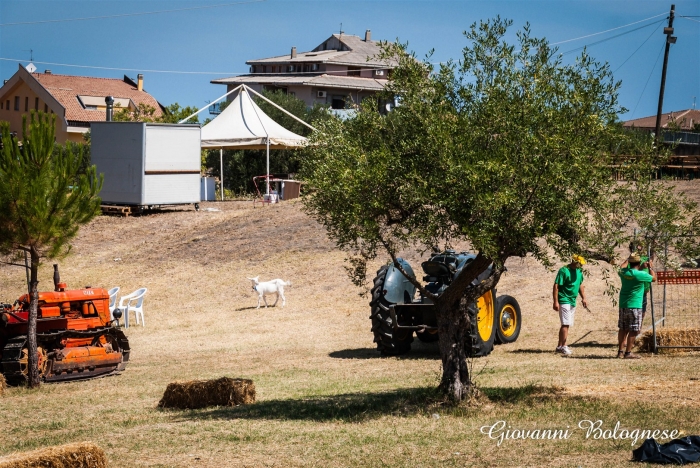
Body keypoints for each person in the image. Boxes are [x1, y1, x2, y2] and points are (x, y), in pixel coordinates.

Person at [617, 253, 656, 359]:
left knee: (622, 328)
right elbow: (653, 278)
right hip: (635, 305)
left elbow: (622, 266)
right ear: (639, 263)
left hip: (623, 304)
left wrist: (628, 258)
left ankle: (620, 351)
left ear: (630, 262)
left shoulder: (623, 272)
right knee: (634, 330)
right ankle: (628, 353)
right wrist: (650, 267)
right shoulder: (641, 275)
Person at [553, 255, 588, 355]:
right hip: (564, 299)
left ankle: (560, 346)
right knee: (565, 324)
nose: (581, 265)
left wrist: (584, 297)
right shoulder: (564, 270)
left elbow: (580, 284)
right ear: (574, 261)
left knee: (566, 324)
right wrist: (555, 301)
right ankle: (563, 346)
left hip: (573, 300)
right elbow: (556, 286)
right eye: (579, 263)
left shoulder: (579, 271)